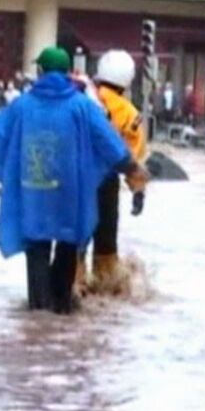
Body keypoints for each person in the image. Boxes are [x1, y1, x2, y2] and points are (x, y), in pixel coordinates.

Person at [0, 47, 147, 314]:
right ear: (68, 73)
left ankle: (40, 316)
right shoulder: (83, 107)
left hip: (33, 192)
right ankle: (61, 309)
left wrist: (12, 175)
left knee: (37, 249)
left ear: (41, 72)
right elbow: (111, 145)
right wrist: (132, 169)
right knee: (69, 245)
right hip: (71, 193)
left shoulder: (21, 106)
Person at [82, 49, 148, 294]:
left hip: (77, 180)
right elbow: (133, 159)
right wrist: (138, 192)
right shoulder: (130, 114)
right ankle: (104, 286)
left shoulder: (83, 98)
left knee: (75, 239)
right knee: (106, 243)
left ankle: (74, 283)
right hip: (107, 183)